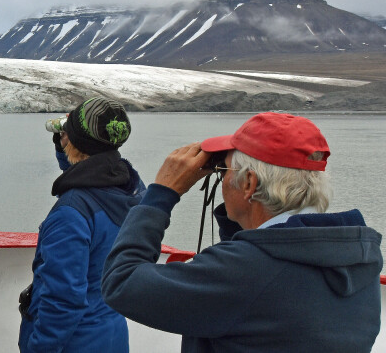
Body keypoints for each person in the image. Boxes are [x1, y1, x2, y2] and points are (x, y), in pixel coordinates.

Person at [102, 112, 383, 352]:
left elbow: (121, 281)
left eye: (223, 170)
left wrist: (162, 193)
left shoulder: (245, 271)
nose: (222, 178)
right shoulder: (359, 256)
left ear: (248, 183)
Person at [18, 98, 143, 353]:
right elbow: (90, 171)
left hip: (75, 343)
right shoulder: (132, 190)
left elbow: (63, 303)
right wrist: (67, 144)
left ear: (75, 143)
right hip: (112, 334)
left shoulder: (71, 213)